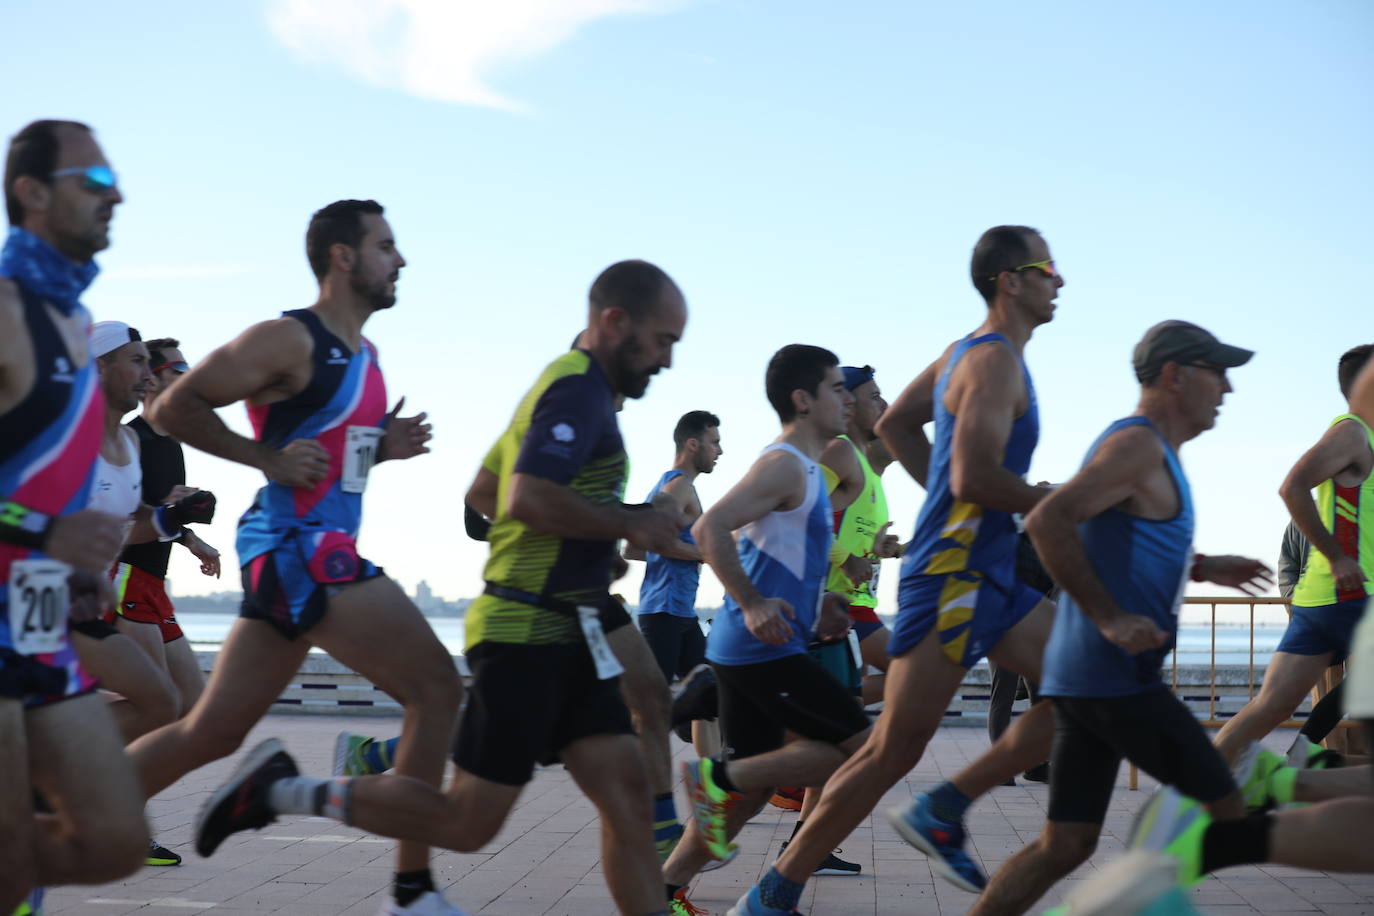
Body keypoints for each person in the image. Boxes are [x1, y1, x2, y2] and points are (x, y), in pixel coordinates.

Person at [194, 259, 688, 916]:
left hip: (574, 631)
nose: (667, 360)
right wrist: (627, 524)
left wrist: (587, 547)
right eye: (662, 342)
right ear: (614, 322)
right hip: (525, 635)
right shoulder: (575, 392)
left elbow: (483, 493)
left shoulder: (572, 387)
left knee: (629, 802)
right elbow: (526, 496)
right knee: (465, 822)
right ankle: (281, 791)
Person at [125, 199, 466, 916]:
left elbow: (332, 460)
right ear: (343, 257)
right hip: (298, 550)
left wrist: (382, 446)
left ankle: (53, 814)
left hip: (309, 552)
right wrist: (263, 458)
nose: (400, 260)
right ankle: (412, 892)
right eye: (386, 245)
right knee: (437, 689)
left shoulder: (368, 358)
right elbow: (170, 409)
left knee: (212, 731)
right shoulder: (289, 338)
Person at [731, 226, 1067, 915]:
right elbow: (970, 472)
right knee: (891, 750)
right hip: (955, 577)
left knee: (1091, 678)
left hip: (986, 569)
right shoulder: (992, 360)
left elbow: (899, 429)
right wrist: (1053, 502)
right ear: (1010, 280)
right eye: (1047, 268)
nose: (1059, 279)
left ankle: (941, 807)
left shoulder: (963, 354)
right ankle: (773, 893)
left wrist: (947, 498)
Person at [966, 320, 1272, 915]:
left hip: (1087, 680)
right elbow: (1050, 518)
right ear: (1175, 376)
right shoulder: (1136, 446)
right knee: (1225, 808)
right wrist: (1108, 618)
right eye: (1218, 372)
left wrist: (1203, 566)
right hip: (1114, 679)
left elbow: (1115, 538)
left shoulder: (1151, 451)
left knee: (1066, 845)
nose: (1228, 389)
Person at [662, 345, 872, 914]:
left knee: (751, 796)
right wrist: (752, 602)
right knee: (860, 747)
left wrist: (824, 601)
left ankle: (663, 891)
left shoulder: (802, 469)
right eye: (836, 387)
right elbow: (710, 528)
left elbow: (772, 550)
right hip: (757, 647)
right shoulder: (781, 463)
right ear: (803, 400)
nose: (848, 397)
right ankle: (715, 776)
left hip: (762, 646)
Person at [0, 118, 147, 913]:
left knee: (117, 836)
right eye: (94, 182)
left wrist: (75, 568)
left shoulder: (69, 325)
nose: (116, 193)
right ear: (31, 193)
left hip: (42, 619)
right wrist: (41, 534)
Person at [1215, 344, 1374, 764]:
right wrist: (1338, 557)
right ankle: (1307, 769)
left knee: (1271, 706)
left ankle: (1199, 792)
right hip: (1354, 598)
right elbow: (1292, 486)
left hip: (1326, 601)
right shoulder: (1352, 432)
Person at [114, 336, 219, 716]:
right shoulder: (129, 440)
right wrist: (167, 509)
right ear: (151, 379)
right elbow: (115, 515)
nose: (188, 377)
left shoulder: (171, 443)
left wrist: (191, 539)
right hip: (125, 577)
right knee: (157, 707)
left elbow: (162, 512)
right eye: (179, 370)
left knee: (192, 704)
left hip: (154, 585)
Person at [633, 410, 720, 687]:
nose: (721, 451)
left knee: (707, 692)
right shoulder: (679, 486)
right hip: (664, 612)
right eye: (714, 442)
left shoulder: (669, 485)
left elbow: (632, 547)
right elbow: (650, 540)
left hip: (679, 611)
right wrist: (703, 554)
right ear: (693, 444)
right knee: (656, 702)